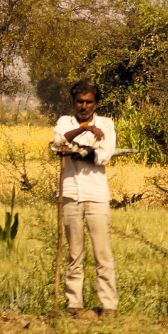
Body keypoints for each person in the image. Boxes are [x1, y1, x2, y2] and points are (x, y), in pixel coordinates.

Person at [53, 80, 118, 318]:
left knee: (102, 253)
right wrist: (84, 131)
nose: (83, 106)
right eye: (80, 101)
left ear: (96, 103)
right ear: (74, 102)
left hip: (97, 195)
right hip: (69, 192)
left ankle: (109, 305)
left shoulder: (106, 124)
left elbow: (103, 155)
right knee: (74, 253)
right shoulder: (64, 122)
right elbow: (59, 142)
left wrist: (80, 151)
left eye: (88, 102)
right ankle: (74, 304)